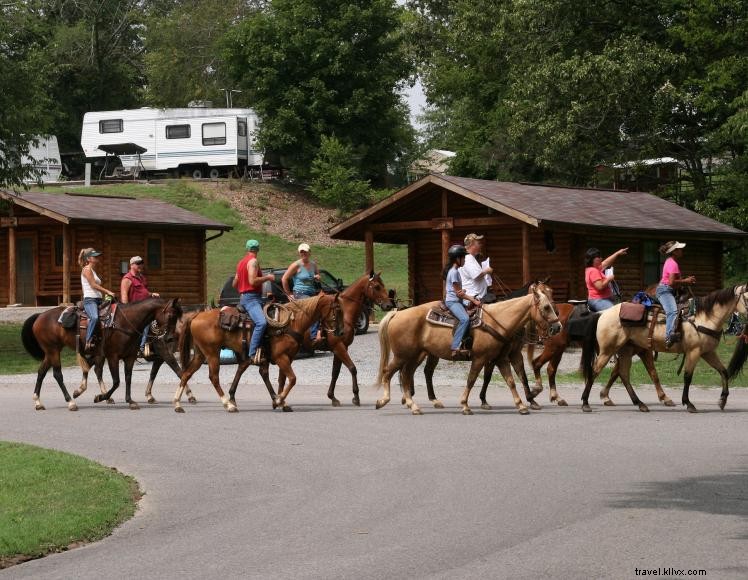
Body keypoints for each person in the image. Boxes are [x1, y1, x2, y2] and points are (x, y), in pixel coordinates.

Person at [233, 239, 274, 364]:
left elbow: (235, 284)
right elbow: (252, 281)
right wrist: (267, 277)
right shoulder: (253, 261)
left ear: (247, 249)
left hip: (245, 297)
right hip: (252, 298)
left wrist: (242, 288)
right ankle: (252, 354)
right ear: (258, 250)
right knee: (261, 322)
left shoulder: (241, 263)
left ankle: (262, 348)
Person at [656, 241, 696, 348]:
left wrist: (685, 280)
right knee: (672, 311)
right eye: (679, 249)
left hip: (669, 290)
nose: (682, 251)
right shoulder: (673, 263)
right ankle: (669, 336)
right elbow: (671, 282)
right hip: (665, 290)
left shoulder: (671, 261)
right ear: (674, 252)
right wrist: (686, 281)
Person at [445, 244, 481, 360]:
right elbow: (458, 293)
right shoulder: (454, 272)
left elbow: (458, 290)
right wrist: (473, 300)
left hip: (457, 300)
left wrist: (464, 292)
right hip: (453, 302)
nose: (465, 260)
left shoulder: (455, 271)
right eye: (463, 258)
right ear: (457, 259)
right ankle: (455, 346)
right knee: (465, 319)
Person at [281, 243, 322, 343]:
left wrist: (317, 278)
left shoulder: (313, 264)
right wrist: (289, 294)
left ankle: (326, 333)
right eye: (301, 252)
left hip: (312, 292)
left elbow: (317, 277)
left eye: (305, 252)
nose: (303, 254)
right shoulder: (296, 265)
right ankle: (313, 337)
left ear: (309, 252)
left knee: (324, 306)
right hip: (300, 293)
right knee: (313, 309)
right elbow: (284, 279)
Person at [121, 256, 160, 357]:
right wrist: (126, 312)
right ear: (132, 265)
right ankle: (139, 349)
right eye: (138, 263)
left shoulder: (142, 277)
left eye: (141, 263)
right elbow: (124, 295)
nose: (140, 265)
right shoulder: (127, 278)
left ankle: (153, 347)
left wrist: (151, 294)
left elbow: (143, 292)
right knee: (143, 328)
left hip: (145, 308)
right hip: (135, 311)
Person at [79, 248, 116, 353]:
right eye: (95, 256)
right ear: (89, 259)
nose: (97, 258)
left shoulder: (92, 270)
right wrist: (107, 291)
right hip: (90, 300)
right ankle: (88, 340)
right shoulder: (86, 269)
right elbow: (93, 285)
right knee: (94, 317)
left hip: (98, 299)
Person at [584, 247, 628, 312]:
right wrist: (609, 279)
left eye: (600, 256)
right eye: (598, 257)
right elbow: (600, 286)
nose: (601, 258)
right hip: (598, 300)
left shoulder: (595, 268)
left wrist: (617, 253)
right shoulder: (593, 271)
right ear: (592, 259)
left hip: (602, 299)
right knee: (613, 312)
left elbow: (607, 262)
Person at [459, 233, 493, 304]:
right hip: (474, 298)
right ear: (471, 244)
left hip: (477, 296)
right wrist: (487, 270)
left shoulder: (469, 258)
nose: (480, 245)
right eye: (478, 243)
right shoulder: (468, 258)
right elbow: (476, 276)